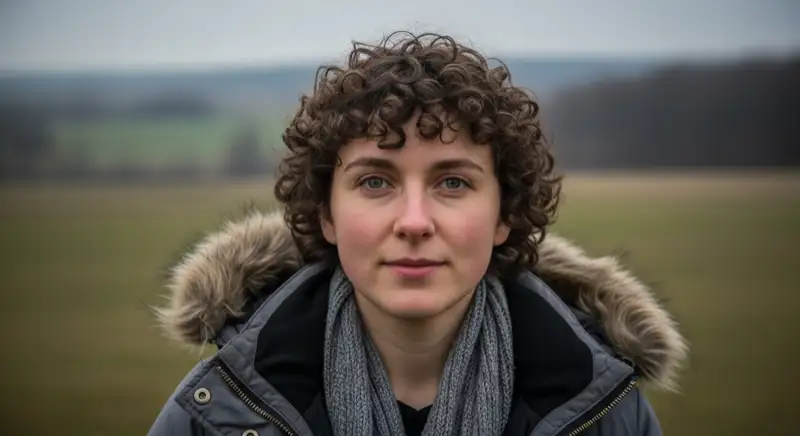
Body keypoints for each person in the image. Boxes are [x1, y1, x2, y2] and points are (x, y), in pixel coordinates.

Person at [148, 31, 688, 436]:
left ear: (504, 214)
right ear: (327, 215)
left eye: (452, 182)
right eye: (375, 181)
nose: (413, 222)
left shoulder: (606, 413)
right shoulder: (219, 410)